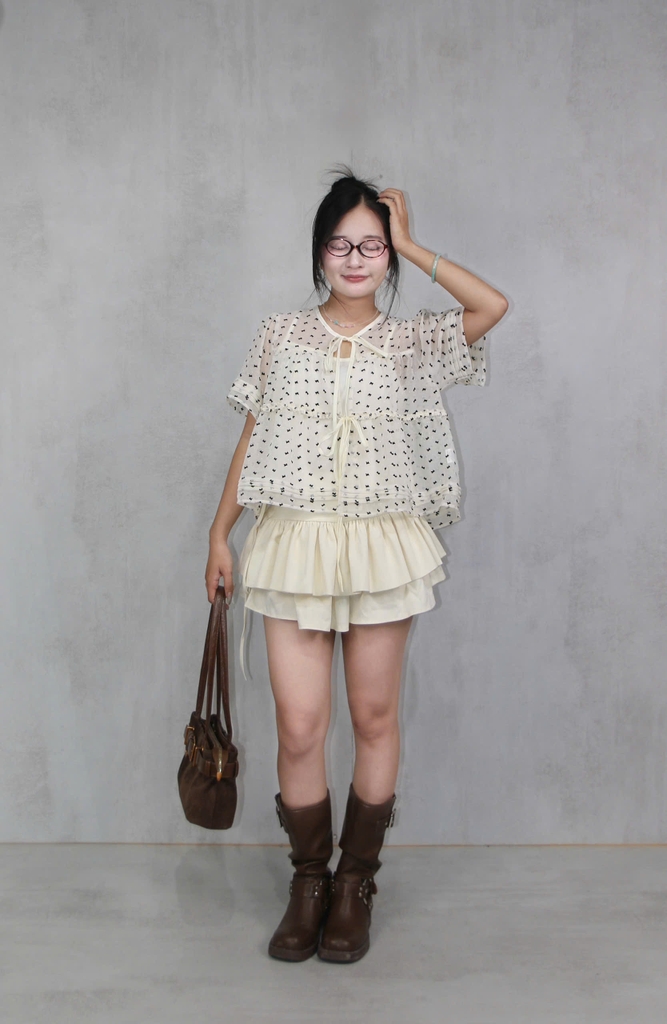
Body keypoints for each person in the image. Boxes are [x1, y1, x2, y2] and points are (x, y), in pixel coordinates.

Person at [206, 169, 508, 963]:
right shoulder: (280, 334)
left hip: (381, 546)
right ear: (319, 253)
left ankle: (355, 885)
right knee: (300, 725)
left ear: (387, 257)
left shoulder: (413, 344)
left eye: (371, 246)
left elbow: (490, 306)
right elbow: (253, 438)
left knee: (373, 717)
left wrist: (412, 242)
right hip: (293, 544)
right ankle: (308, 882)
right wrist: (219, 535)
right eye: (340, 244)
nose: (354, 259)